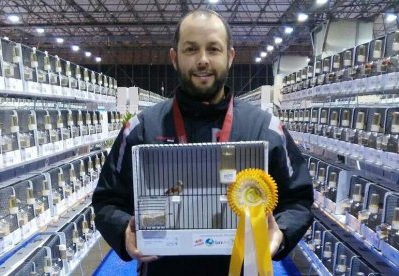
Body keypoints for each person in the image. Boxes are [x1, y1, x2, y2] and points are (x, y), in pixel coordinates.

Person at [92, 8, 313, 276]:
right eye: (191, 49)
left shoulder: (265, 129)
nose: (203, 60)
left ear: (230, 56)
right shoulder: (141, 129)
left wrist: (281, 235)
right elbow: (106, 200)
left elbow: (298, 200)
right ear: (175, 58)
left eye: (213, 49)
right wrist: (123, 231)